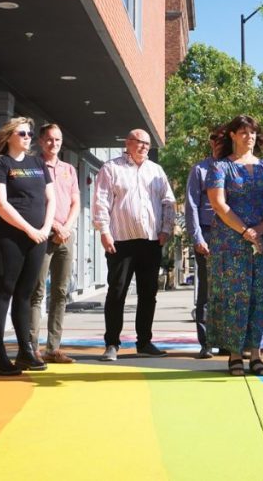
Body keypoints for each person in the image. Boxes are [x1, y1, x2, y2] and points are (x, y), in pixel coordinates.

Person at [205, 115, 263, 376]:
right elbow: (219, 205)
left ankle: (256, 355)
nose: (249, 137)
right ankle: (234, 355)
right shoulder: (220, 168)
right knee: (235, 296)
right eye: (243, 132)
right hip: (231, 242)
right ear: (232, 135)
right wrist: (244, 231)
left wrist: (261, 229)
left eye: (253, 132)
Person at [92, 129, 175, 361]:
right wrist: (104, 231)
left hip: (151, 241)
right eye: (139, 142)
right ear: (127, 143)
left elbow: (169, 201)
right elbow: (100, 202)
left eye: (147, 144)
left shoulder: (156, 171)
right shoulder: (111, 168)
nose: (144, 147)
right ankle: (111, 344)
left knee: (148, 293)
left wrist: (166, 229)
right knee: (116, 292)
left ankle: (145, 342)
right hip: (121, 242)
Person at [0, 118, 55, 376]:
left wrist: (46, 228)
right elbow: (0, 204)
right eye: (22, 133)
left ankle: (26, 352)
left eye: (29, 133)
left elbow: (51, 198)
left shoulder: (38, 163)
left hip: (38, 236)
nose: (27, 137)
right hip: (9, 237)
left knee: (25, 294)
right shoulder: (0, 164)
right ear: (9, 136)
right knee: (4, 291)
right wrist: (29, 229)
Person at [29, 123, 80, 364]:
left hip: (65, 237)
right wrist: (54, 227)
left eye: (58, 140)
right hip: (42, 234)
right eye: (49, 139)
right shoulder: (33, 167)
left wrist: (67, 227)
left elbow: (76, 202)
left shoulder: (69, 169)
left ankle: (53, 348)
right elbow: (33, 203)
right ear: (40, 141)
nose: (54, 144)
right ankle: (32, 348)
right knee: (37, 291)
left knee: (60, 292)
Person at [184, 127, 222, 359]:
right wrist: (197, 236)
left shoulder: (235, 167)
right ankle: (206, 343)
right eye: (214, 139)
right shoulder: (200, 169)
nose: (219, 143)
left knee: (229, 291)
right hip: (207, 233)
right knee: (207, 291)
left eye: (222, 139)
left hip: (231, 235)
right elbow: (191, 205)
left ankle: (228, 341)